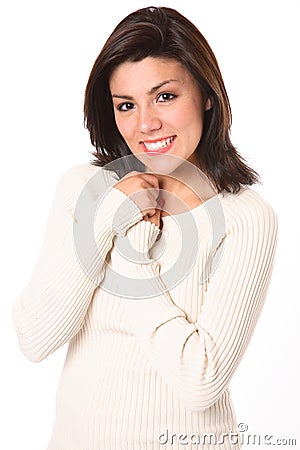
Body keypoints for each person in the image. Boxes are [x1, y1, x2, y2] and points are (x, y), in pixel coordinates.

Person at [12, 6, 278, 450]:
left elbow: (201, 380)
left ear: (207, 95)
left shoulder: (244, 217)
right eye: (126, 105)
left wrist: (133, 246)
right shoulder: (85, 189)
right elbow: (35, 338)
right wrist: (107, 218)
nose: (145, 124)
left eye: (166, 96)